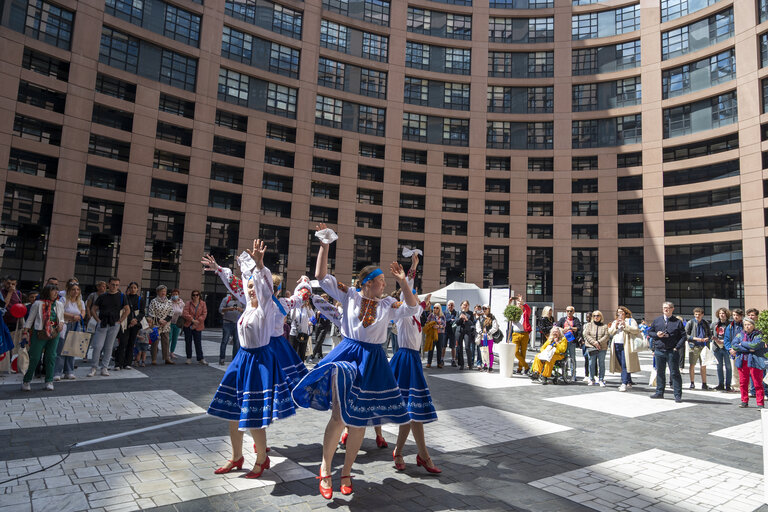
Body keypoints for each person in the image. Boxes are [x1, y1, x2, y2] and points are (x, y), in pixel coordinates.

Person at [292, 223, 418, 500]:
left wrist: (404, 281)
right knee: (339, 416)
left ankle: (346, 471)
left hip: (373, 361)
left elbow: (412, 307)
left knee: (359, 420)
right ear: (367, 282)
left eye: (386, 281)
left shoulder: (388, 305)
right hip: (349, 355)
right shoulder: (349, 294)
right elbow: (321, 276)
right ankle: (326, 469)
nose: (385, 285)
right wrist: (325, 244)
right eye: (382, 281)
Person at [207, 239, 296, 479]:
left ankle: (261, 459)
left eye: (254, 287)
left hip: (259, 361)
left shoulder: (268, 308)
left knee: (254, 413)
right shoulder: (247, 306)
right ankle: (237, 457)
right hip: (242, 359)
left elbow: (263, 285)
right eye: (248, 287)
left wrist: (259, 265)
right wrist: (220, 269)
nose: (249, 290)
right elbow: (236, 284)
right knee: (233, 411)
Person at [391, 254, 440, 474]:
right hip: (404, 360)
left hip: (413, 360)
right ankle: (422, 456)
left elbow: (418, 301)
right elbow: (407, 287)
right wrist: (412, 268)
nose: (415, 296)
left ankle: (403, 452)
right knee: (410, 412)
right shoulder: (402, 312)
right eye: (412, 294)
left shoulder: (418, 312)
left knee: (411, 413)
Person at [20, 284, 64, 391]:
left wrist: (61, 324)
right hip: (39, 332)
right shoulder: (38, 303)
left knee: (51, 356)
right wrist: (25, 333)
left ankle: (49, 381)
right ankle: (26, 381)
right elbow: (30, 319)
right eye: (53, 291)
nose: (55, 293)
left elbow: (61, 318)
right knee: (34, 357)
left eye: (56, 291)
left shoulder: (59, 304)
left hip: (54, 332)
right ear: (47, 292)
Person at [89, 277, 129, 377]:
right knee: (97, 346)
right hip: (102, 323)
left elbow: (127, 310)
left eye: (116, 285)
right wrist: (98, 320)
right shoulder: (103, 296)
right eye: (112, 284)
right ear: (109, 284)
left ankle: (104, 367)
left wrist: (120, 321)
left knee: (109, 346)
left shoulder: (121, 296)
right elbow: (93, 309)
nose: (114, 286)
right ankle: (94, 367)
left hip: (114, 324)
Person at [648, 301, 686, 403]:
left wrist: (677, 347)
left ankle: (677, 395)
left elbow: (683, 336)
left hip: (672, 350)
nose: (666, 309)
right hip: (659, 350)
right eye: (664, 307)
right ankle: (659, 392)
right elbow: (650, 332)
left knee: (674, 373)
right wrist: (657, 334)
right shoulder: (657, 320)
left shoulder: (677, 322)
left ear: (672, 309)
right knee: (660, 372)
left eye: (668, 308)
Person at [731, 317, 766, 408]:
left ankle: (760, 403)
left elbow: (755, 345)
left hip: (755, 361)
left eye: (749, 324)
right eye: (745, 325)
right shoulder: (740, 335)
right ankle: (744, 400)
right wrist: (749, 349)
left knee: (757, 383)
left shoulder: (758, 335)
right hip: (742, 361)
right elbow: (734, 345)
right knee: (743, 382)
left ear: (753, 325)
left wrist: (742, 344)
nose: (747, 326)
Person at [55, 282, 85, 381]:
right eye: (73, 289)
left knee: (72, 349)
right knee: (61, 349)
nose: (75, 291)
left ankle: (69, 371)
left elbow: (83, 314)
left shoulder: (81, 302)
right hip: (65, 325)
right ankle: (57, 372)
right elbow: (60, 312)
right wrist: (72, 316)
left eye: (77, 289)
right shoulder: (64, 300)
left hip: (75, 325)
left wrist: (79, 317)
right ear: (69, 291)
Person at [608, 306, 641, 392]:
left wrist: (625, 325)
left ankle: (624, 383)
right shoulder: (615, 321)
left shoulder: (630, 320)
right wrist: (615, 326)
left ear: (625, 313)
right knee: (621, 363)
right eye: (618, 313)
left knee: (625, 364)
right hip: (616, 344)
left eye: (622, 312)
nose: (620, 314)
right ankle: (629, 381)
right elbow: (610, 332)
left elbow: (636, 330)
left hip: (626, 345)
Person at [114, 282, 144, 370]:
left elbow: (142, 312)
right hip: (124, 323)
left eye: (135, 287)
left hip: (135, 324)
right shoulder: (124, 297)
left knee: (131, 344)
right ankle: (118, 363)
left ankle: (127, 363)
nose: (133, 289)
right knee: (122, 343)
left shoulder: (140, 299)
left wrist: (136, 320)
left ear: (137, 289)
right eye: (131, 287)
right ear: (128, 288)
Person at [147, 285, 174, 365]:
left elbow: (171, 312)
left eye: (165, 291)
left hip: (166, 324)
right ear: (158, 292)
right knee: (155, 341)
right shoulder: (153, 301)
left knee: (166, 341)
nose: (163, 293)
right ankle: (154, 359)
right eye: (162, 291)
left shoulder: (169, 302)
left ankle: (166, 358)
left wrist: (165, 321)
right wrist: (159, 320)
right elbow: (151, 313)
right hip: (156, 324)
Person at [685, 307, 711, 390]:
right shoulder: (690, 322)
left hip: (704, 346)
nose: (697, 316)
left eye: (699, 314)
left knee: (703, 365)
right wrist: (695, 338)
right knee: (692, 364)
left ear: (702, 315)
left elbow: (710, 334)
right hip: (694, 346)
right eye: (696, 314)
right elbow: (685, 335)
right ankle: (692, 383)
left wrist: (708, 338)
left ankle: (704, 383)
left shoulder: (705, 323)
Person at [583, 310, 610, 386]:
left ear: (601, 317)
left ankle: (601, 379)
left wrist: (598, 342)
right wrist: (594, 342)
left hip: (602, 347)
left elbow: (606, 336)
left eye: (598, 315)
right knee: (591, 363)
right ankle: (591, 379)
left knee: (601, 363)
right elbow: (587, 335)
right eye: (594, 316)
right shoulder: (589, 325)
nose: (596, 317)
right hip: (591, 346)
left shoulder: (604, 326)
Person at [556, 306, 582, 381]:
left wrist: (570, 328)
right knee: (563, 358)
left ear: (573, 312)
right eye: (567, 311)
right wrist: (563, 330)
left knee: (572, 358)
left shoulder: (576, 320)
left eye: (571, 311)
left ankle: (573, 375)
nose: (569, 312)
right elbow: (557, 327)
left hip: (571, 340)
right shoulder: (562, 319)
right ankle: (564, 374)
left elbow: (578, 328)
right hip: (563, 341)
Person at [182, 290, 208, 365]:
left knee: (198, 342)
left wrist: (197, 321)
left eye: (197, 295)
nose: (195, 296)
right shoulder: (188, 303)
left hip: (198, 325)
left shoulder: (203, 303)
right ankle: (189, 358)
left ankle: (200, 358)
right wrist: (193, 320)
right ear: (192, 296)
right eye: (194, 295)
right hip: (188, 325)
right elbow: (185, 313)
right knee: (188, 342)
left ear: (199, 296)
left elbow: (204, 314)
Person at [509, 294, 532, 374]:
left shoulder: (525, 312)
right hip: (516, 334)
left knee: (523, 353)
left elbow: (528, 309)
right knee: (515, 352)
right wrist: (509, 302)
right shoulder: (513, 313)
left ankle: (519, 369)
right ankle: (526, 366)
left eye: (520, 304)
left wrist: (523, 303)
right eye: (518, 304)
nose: (519, 305)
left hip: (525, 334)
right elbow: (507, 311)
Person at [711, 307, 732, 392]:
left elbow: (732, 336)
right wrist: (713, 338)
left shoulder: (730, 325)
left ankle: (728, 385)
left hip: (726, 348)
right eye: (720, 313)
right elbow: (710, 333)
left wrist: (723, 341)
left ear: (726, 314)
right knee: (719, 367)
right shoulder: (715, 324)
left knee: (728, 367)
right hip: (717, 348)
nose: (721, 315)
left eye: (723, 313)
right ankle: (720, 384)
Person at [724, 308, 744, 392]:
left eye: (737, 315)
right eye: (734, 315)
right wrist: (730, 350)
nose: (735, 317)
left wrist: (739, 348)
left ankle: (746, 386)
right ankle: (736, 386)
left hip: (742, 351)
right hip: (732, 351)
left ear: (741, 316)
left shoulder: (744, 325)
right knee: (734, 370)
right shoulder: (730, 326)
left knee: (744, 370)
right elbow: (726, 339)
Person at [219, 293, 242, 365]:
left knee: (237, 342)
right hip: (227, 323)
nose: (235, 295)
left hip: (237, 323)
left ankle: (235, 359)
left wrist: (240, 309)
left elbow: (246, 309)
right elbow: (220, 309)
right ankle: (222, 358)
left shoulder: (241, 300)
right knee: (224, 341)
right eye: (233, 294)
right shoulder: (226, 299)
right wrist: (229, 309)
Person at [475, 305, 499, 372]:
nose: (484, 310)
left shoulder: (492, 317)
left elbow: (495, 327)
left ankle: (490, 366)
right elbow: (477, 326)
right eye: (483, 308)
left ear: (488, 309)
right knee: (484, 351)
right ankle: (485, 365)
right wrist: (481, 333)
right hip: (482, 337)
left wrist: (489, 332)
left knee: (490, 352)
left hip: (489, 337)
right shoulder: (480, 317)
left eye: (485, 308)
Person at [289, 297, 313, 362]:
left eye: (303, 301)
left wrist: (307, 307)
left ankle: (301, 368)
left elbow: (312, 316)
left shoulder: (306, 308)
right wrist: (294, 307)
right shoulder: (295, 308)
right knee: (293, 352)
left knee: (302, 353)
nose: (302, 303)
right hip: (294, 333)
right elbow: (292, 317)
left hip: (304, 333)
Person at [454, 300, 474, 370]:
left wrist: (466, 319)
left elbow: (472, 323)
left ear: (468, 306)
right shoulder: (458, 313)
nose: (465, 306)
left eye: (466, 305)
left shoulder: (470, 313)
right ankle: (461, 364)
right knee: (459, 348)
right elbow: (456, 322)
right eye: (463, 304)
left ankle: (470, 364)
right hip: (459, 331)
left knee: (467, 347)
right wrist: (460, 318)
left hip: (467, 332)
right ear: (461, 305)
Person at [311, 296, 332, 361]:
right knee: (318, 340)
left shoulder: (329, 307)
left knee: (319, 340)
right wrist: (317, 313)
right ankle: (320, 354)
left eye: (325, 299)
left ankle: (312, 355)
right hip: (318, 325)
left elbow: (331, 315)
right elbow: (314, 316)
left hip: (325, 325)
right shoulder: (318, 306)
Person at [427, 303, 446, 369]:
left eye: (437, 308)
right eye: (434, 307)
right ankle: (429, 363)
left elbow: (444, 325)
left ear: (440, 309)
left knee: (439, 349)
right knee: (431, 349)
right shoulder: (431, 315)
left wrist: (439, 326)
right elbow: (427, 323)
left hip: (440, 333)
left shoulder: (442, 316)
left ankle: (439, 363)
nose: (435, 309)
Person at [169, 289, 185, 360]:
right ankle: (166, 352)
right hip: (169, 322)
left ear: (178, 295)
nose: (174, 296)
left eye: (176, 294)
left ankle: (172, 352)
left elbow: (183, 312)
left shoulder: (181, 303)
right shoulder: (169, 302)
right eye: (173, 294)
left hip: (178, 323)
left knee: (175, 339)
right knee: (169, 338)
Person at [444, 300, 457, 366]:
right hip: (445, 331)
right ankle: (441, 359)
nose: (450, 306)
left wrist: (451, 321)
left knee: (453, 347)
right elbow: (443, 321)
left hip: (453, 332)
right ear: (447, 306)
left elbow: (456, 320)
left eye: (452, 305)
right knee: (443, 346)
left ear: (454, 306)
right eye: (449, 305)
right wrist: (450, 320)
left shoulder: (456, 313)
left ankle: (453, 360)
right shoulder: (444, 312)